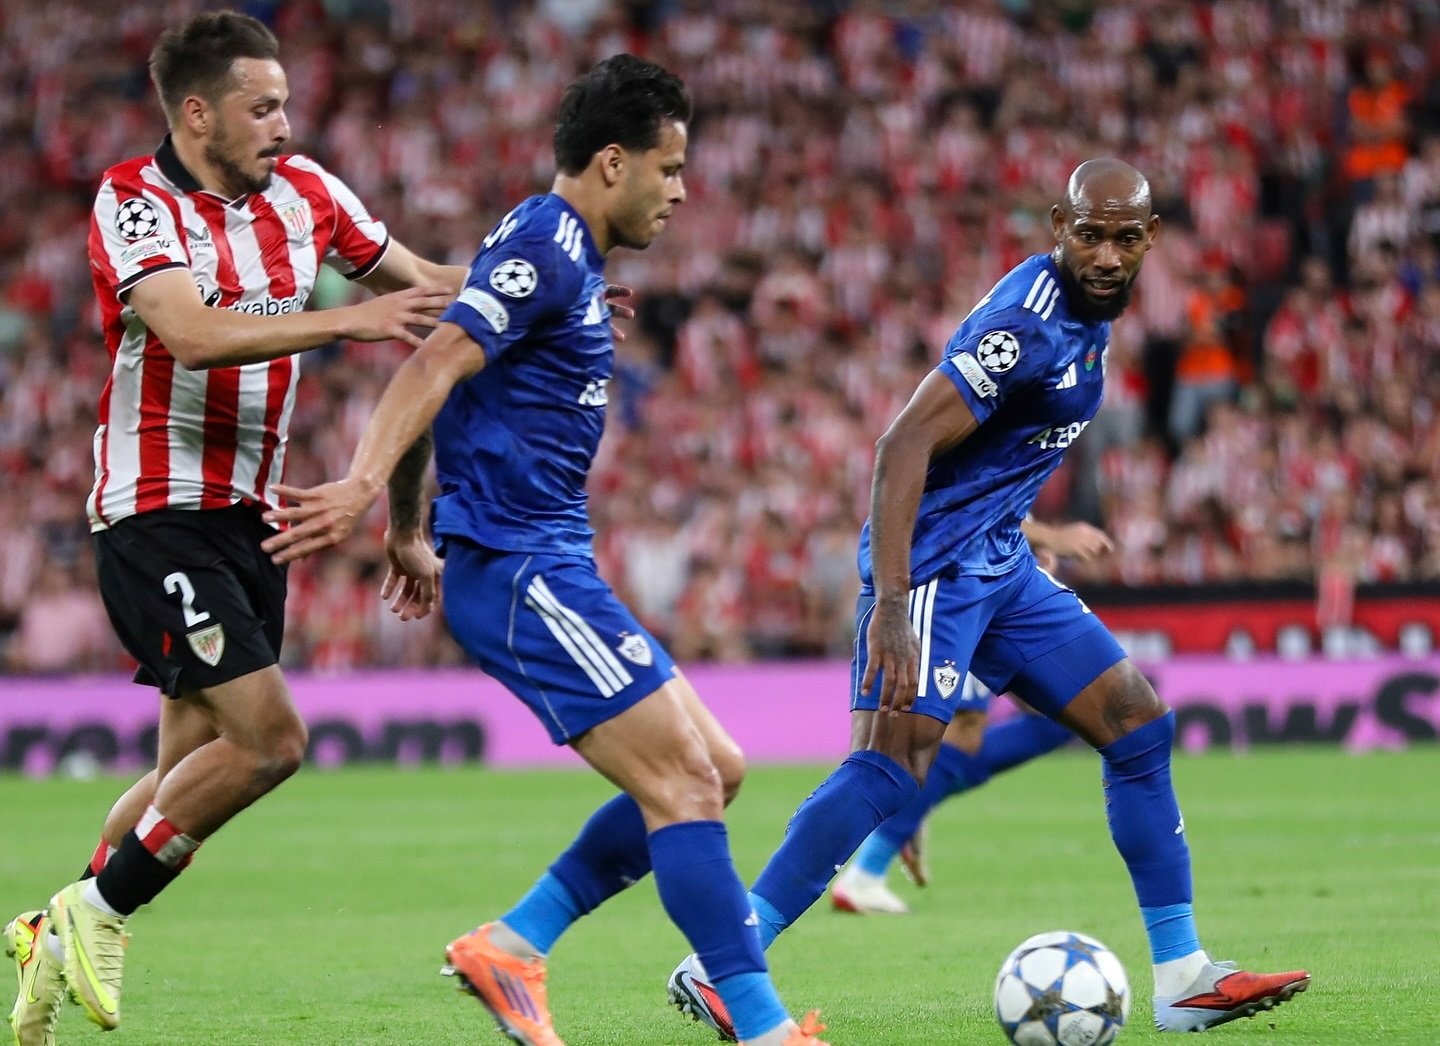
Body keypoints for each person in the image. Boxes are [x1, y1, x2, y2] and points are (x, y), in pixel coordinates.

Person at [666, 159, 1310, 1039]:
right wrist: (891, 602)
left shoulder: (1094, 314)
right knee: (889, 766)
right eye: (1090, 235)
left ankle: (1183, 977)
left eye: (1126, 238)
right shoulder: (1024, 325)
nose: (1108, 255)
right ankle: (722, 965)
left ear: (1151, 238)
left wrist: (1030, 536)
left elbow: (995, 462)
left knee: (1136, 724)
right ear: (1059, 227)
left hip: (1001, 565)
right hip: (933, 568)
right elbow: (902, 446)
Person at [258, 54, 828, 1046]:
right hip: (521, 569)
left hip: (545, 562)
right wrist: (362, 484)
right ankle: (763, 1023)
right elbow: (435, 361)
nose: (680, 191)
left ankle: (515, 942)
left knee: (718, 767)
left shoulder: (561, 260)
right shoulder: (547, 242)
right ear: (613, 162)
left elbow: (447, 363)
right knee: (685, 784)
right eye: (669, 168)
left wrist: (407, 525)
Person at [4, 11, 466, 1043]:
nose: (284, 125)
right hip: (155, 510)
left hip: (251, 521)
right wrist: (350, 317)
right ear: (198, 112)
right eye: (262, 108)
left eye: (286, 104)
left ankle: (47, 930)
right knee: (271, 742)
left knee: (184, 779)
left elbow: (432, 288)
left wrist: (549, 291)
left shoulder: (309, 193)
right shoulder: (134, 199)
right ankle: (96, 909)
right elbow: (190, 332)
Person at [831, 517, 1113, 915]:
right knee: (958, 732)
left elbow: (1004, 510)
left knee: (1051, 716)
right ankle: (867, 869)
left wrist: (1029, 550)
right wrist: (1053, 537)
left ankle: (908, 805)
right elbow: (982, 507)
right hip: (952, 591)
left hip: (989, 587)